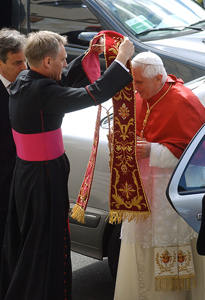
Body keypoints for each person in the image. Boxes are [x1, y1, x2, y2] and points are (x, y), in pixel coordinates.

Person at [0, 30, 134, 300]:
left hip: (32, 174)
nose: (65, 63)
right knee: (45, 245)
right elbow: (93, 94)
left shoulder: (28, 78)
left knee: (33, 241)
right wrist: (121, 60)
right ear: (47, 62)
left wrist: (91, 54)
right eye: (62, 58)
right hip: (43, 177)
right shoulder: (41, 90)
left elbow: (63, 79)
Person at [114, 51, 205, 300]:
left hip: (168, 194)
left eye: (139, 82)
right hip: (143, 192)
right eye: (133, 81)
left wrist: (153, 150)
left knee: (164, 250)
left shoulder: (182, 100)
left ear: (157, 78)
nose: (135, 88)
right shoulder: (144, 95)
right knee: (140, 248)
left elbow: (195, 155)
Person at [0, 28, 27, 274]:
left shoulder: (28, 82)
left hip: (22, 177)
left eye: (25, 61)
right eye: (17, 63)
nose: (24, 68)